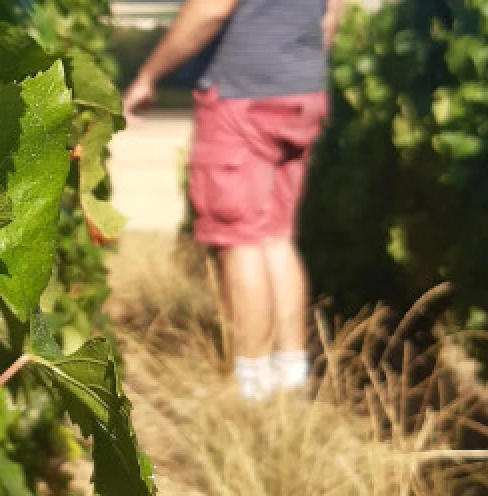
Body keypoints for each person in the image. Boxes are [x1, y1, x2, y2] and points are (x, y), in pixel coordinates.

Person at [123, 0, 342, 401]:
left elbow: (210, 9)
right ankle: (292, 377)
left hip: (243, 99)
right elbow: (330, 16)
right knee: (276, 236)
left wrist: (149, 75)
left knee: (241, 241)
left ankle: (250, 388)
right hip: (302, 93)